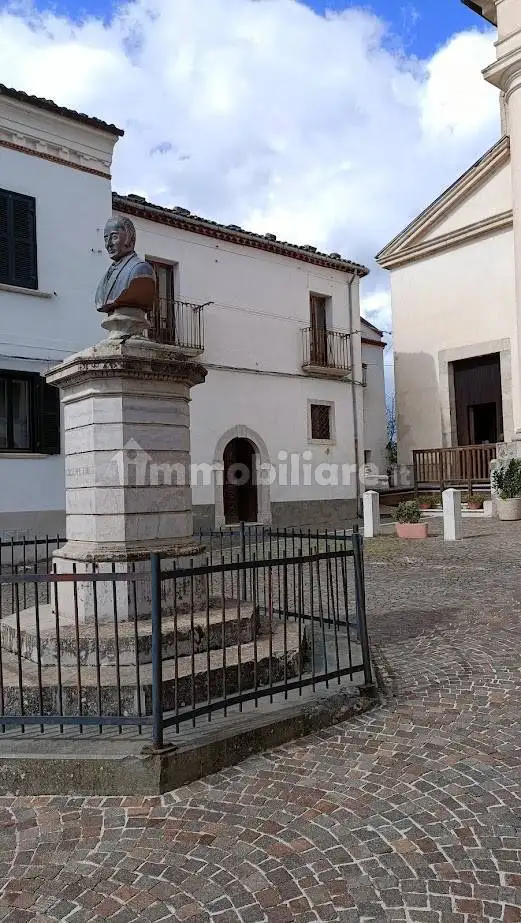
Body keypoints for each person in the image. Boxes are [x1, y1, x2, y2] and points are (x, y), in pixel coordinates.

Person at [95, 216, 156, 315]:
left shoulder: (141, 270)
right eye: (106, 238)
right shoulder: (106, 275)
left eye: (114, 237)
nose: (108, 244)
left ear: (129, 238)